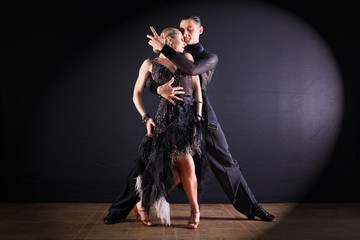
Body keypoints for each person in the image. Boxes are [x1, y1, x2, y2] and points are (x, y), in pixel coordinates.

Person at [104, 15, 275, 225]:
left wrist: (165, 51)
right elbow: (153, 80)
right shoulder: (170, 53)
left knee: (226, 162)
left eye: (190, 29)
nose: (185, 34)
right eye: (182, 29)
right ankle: (121, 209)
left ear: (200, 30)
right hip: (170, 115)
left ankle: (252, 207)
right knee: (149, 162)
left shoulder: (208, 57)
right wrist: (158, 89)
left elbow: (191, 70)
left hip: (201, 116)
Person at [131, 27, 208, 228]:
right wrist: (146, 117)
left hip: (187, 121)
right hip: (164, 122)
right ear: (168, 41)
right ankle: (195, 211)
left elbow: (197, 88)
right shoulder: (150, 63)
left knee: (179, 171)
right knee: (174, 168)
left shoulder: (187, 58)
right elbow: (136, 95)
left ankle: (143, 204)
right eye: (180, 38)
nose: (185, 42)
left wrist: (198, 117)